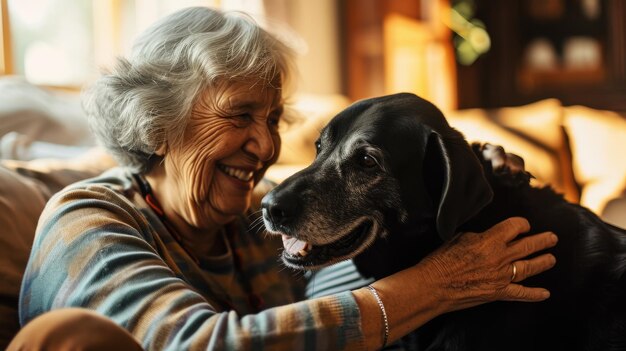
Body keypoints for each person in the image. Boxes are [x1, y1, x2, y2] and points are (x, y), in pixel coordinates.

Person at [11, 7, 557, 351]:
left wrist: (465, 170)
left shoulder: (257, 221)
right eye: (239, 115)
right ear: (157, 125)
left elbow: (368, 260)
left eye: (271, 120)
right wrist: (429, 288)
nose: (267, 146)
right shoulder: (87, 221)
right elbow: (193, 344)